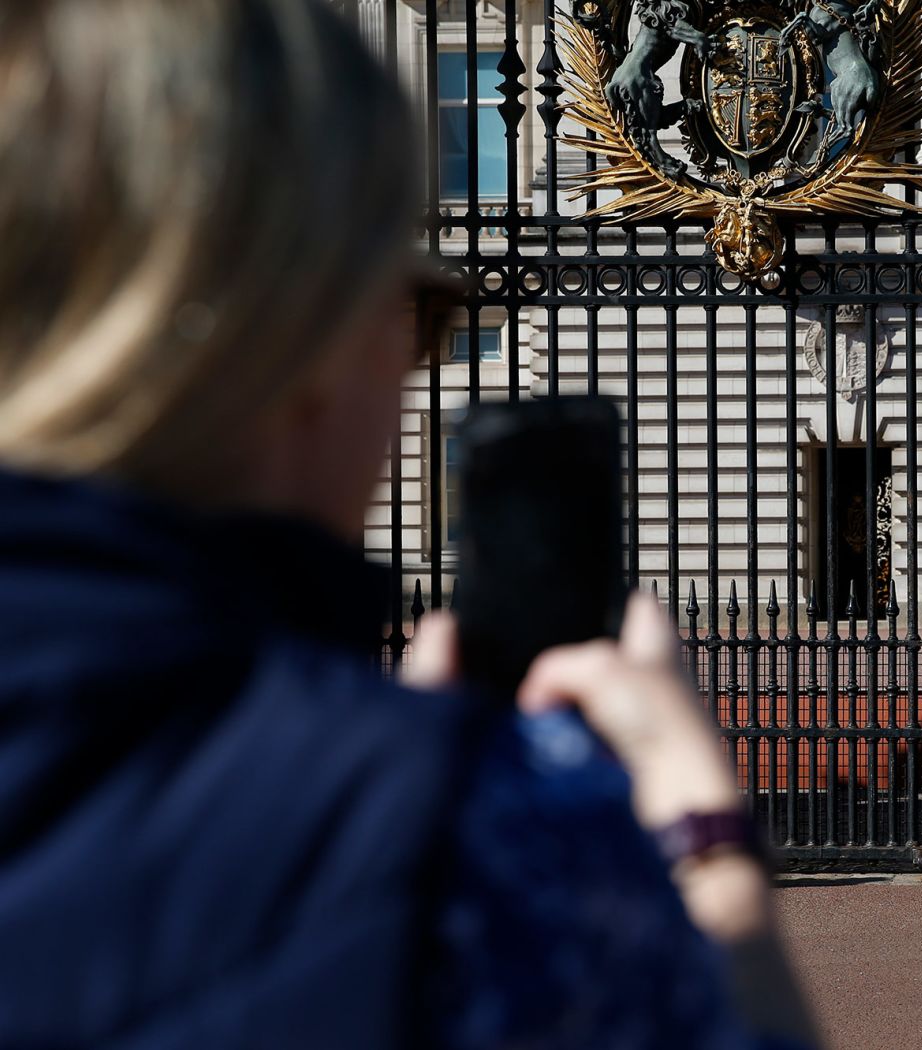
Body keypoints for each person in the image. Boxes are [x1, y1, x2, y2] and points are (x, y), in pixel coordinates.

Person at [0, 2, 815, 1047]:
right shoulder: (481, 847)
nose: (413, 363)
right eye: (415, 308)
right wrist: (714, 855)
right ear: (303, 327)